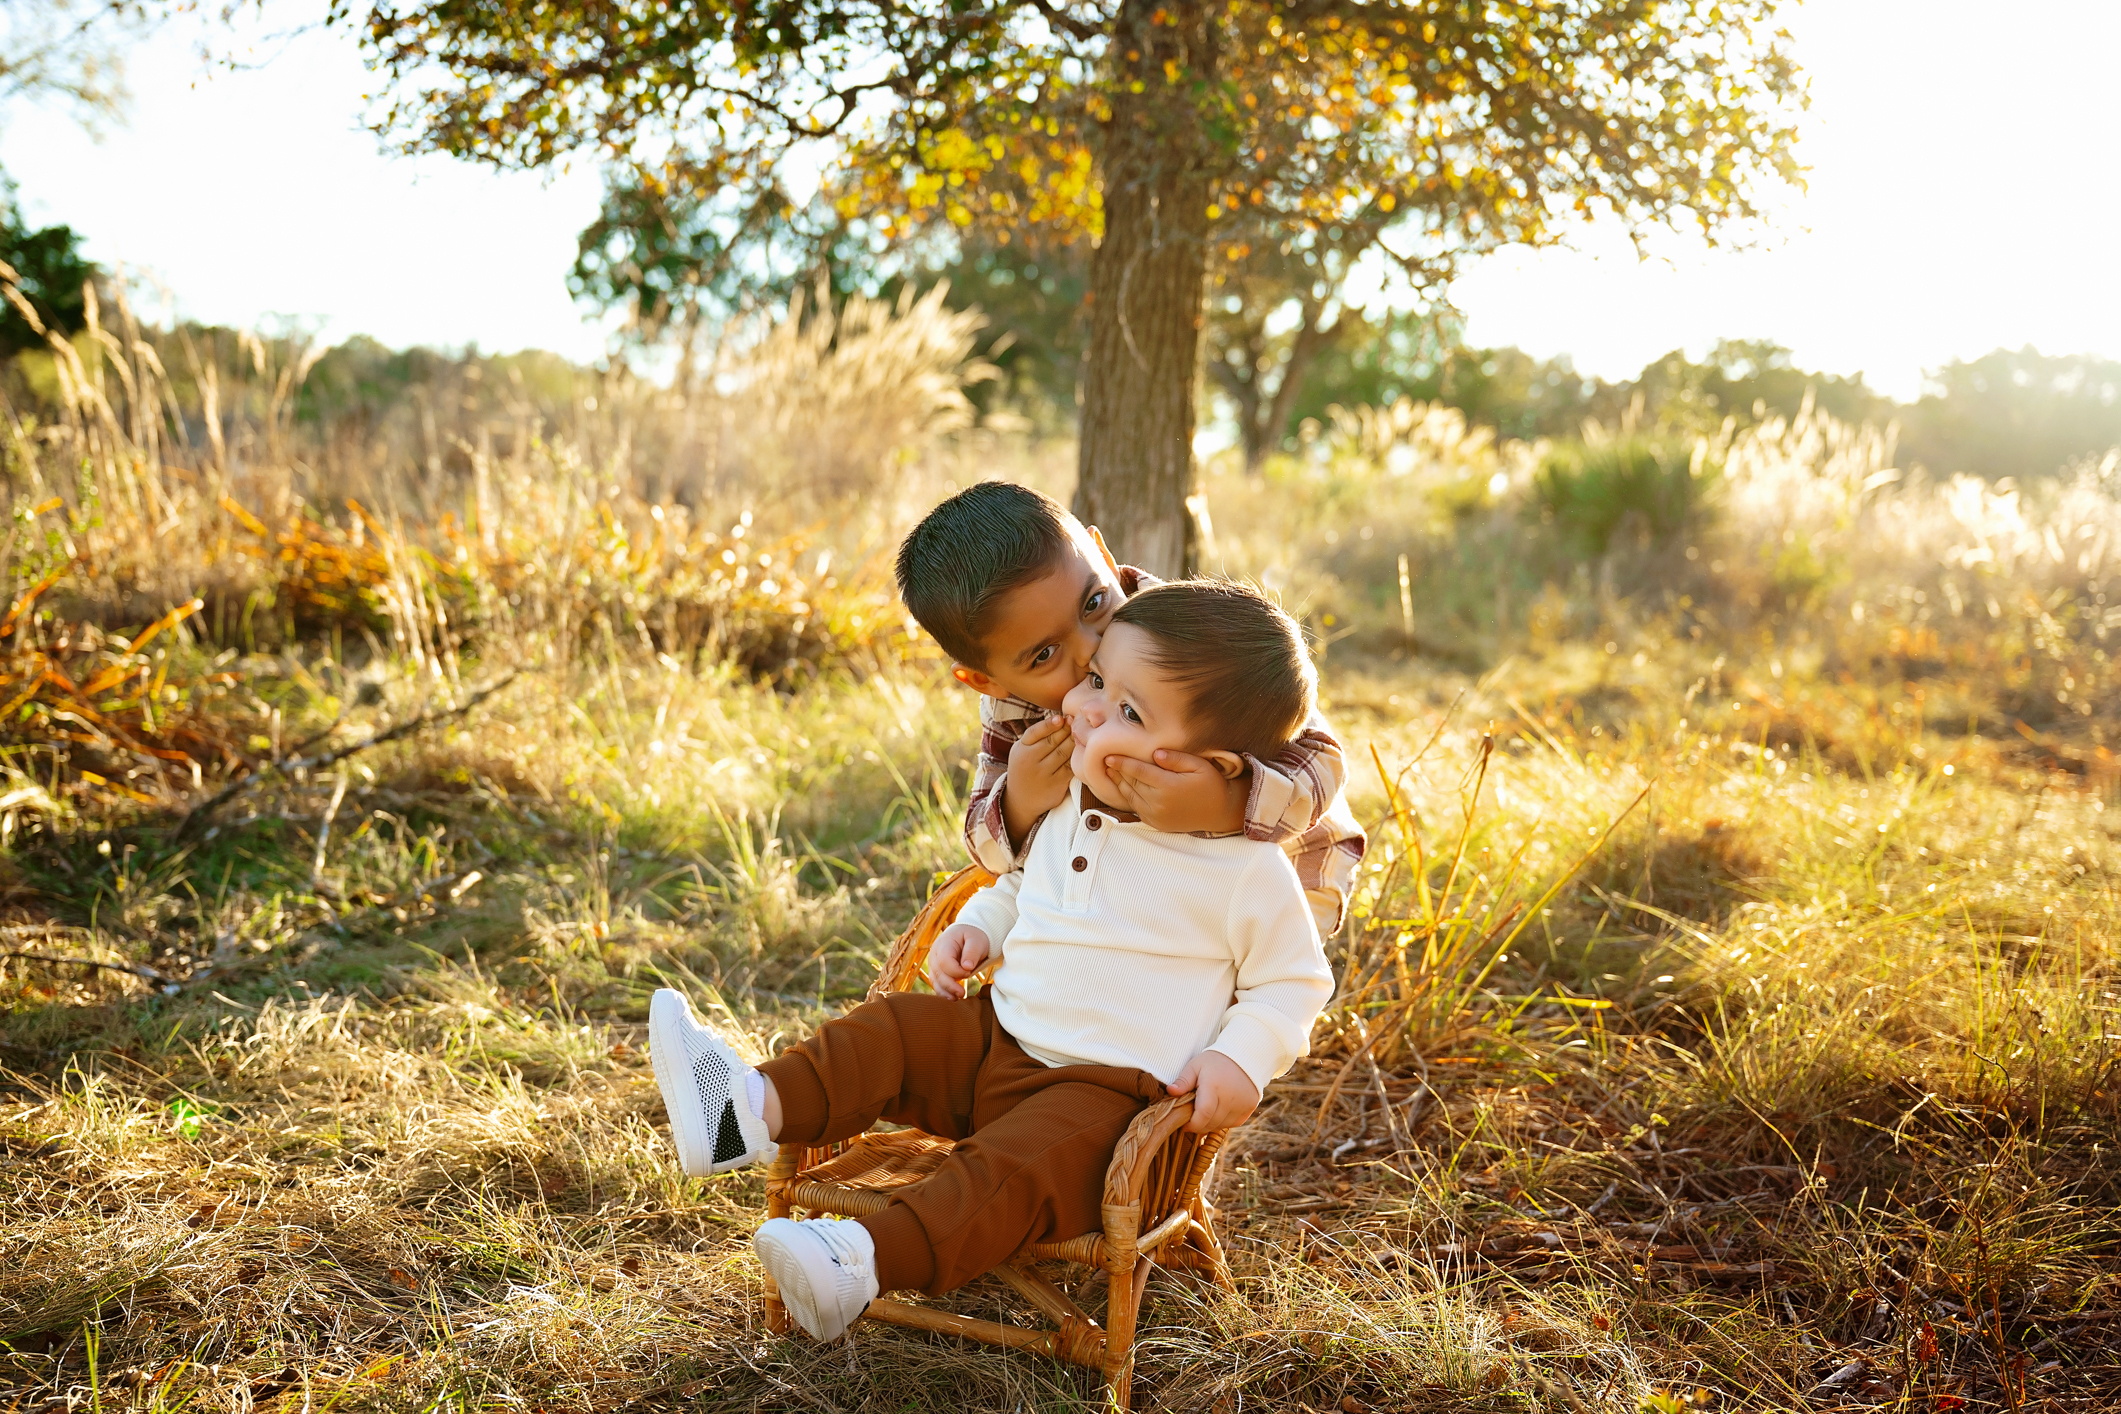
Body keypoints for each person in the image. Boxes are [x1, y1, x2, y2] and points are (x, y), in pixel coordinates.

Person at [649, 580, 1336, 1343]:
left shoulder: (1245, 870)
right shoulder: (1072, 798)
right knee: (893, 1030)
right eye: (1099, 680)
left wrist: (1239, 1061)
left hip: (1100, 1100)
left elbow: (1291, 982)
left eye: (1128, 713)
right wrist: (980, 927)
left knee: (1002, 1179)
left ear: (1204, 767)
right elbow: (1021, 883)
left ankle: (863, 1260)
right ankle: (738, 1110)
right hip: (996, 1040)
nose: (1084, 706)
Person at [893, 480, 1366, 939]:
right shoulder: (1012, 713)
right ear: (988, 679)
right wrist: (1019, 800)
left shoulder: (1183, 628)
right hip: (1156, 886)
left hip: (1293, 865)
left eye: (1094, 603)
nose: (1091, 645)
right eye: (1044, 655)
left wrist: (1225, 802)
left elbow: (1322, 759)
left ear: (1103, 556)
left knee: (1246, 983)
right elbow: (986, 849)